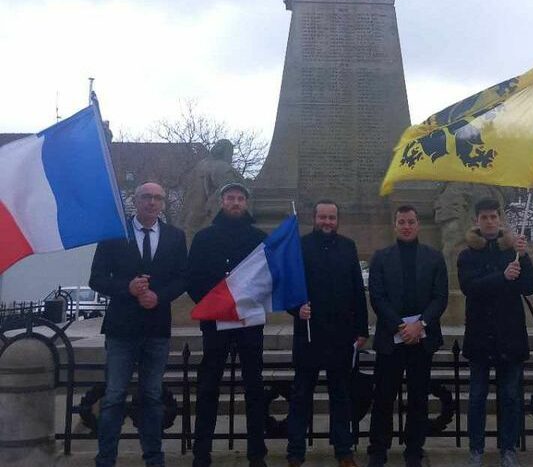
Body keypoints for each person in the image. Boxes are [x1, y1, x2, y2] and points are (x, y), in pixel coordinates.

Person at [90, 182, 187, 467]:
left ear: (164, 203)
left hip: (156, 327)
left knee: (152, 396)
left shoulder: (175, 236)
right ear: (136, 200)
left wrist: (159, 296)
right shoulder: (114, 236)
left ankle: (153, 458)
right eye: (147, 197)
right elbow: (96, 278)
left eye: (158, 198)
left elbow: (182, 278)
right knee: (114, 396)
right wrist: (127, 288)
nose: (152, 202)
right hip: (121, 328)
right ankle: (106, 458)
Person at [187, 183, 268, 467]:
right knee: (208, 388)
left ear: (246, 203)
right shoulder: (204, 238)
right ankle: (202, 453)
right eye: (230, 198)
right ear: (222, 202)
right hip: (215, 323)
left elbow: (267, 279)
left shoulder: (260, 239)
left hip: (249, 323)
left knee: (254, 388)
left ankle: (257, 453)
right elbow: (193, 278)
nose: (235, 202)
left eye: (240, 198)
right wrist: (216, 305)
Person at [286, 199, 368, 467]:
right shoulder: (300, 246)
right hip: (308, 334)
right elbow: (288, 287)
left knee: (341, 396)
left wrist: (362, 329)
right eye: (323, 217)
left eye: (332, 218)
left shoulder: (348, 246)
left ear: (337, 220)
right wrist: (297, 309)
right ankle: (296, 452)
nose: (327, 222)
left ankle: (344, 450)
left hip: (340, 335)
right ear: (314, 218)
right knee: (301, 396)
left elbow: (357, 290)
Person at [457, 197, 533, 467]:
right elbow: (470, 287)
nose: (490, 221)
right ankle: (476, 448)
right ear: (477, 221)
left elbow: (530, 287)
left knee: (510, 396)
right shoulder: (467, 254)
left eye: (494, 216)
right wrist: (501, 277)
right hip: (481, 333)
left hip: (509, 333)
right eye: (484, 217)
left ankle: (508, 447)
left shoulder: (513, 250)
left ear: (500, 219)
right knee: (477, 396)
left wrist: (524, 259)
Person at [367, 205, 449, 467]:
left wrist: (420, 324)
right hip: (392, 338)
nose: (406, 226)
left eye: (411, 221)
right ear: (395, 225)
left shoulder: (434, 257)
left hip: (421, 338)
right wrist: (400, 326)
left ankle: (414, 449)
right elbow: (377, 296)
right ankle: (378, 449)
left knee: (418, 397)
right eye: (401, 221)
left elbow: (440, 297)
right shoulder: (380, 257)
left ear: (418, 225)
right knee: (383, 397)